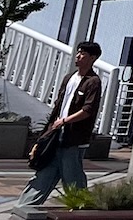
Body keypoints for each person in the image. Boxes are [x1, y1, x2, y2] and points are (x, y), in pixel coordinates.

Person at [17, 41, 102, 213]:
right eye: (78, 52)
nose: (78, 56)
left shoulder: (93, 82)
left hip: (74, 138)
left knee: (72, 176)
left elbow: (88, 110)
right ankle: (24, 207)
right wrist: (45, 135)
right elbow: (57, 106)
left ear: (92, 58)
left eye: (83, 54)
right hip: (56, 135)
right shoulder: (69, 78)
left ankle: (82, 211)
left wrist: (65, 121)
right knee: (45, 171)